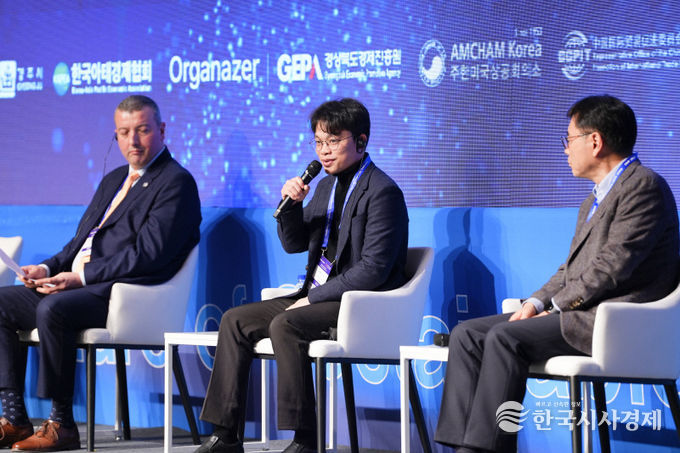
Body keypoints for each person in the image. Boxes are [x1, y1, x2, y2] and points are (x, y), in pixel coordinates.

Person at [434, 95, 679, 453]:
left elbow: (611, 268)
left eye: (570, 138)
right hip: (582, 313)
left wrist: (557, 307)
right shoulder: (593, 199)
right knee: (467, 334)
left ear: (595, 141)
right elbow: (571, 269)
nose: (565, 149)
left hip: (615, 320)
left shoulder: (643, 187)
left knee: (505, 338)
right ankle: (462, 448)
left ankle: (486, 449)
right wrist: (535, 303)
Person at [196, 98, 409, 453]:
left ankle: (305, 439)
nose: (324, 151)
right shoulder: (324, 187)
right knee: (234, 320)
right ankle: (226, 435)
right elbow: (295, 244)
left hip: (357, 304)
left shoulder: (382, 192)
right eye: (319, 142)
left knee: (286, 324)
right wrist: (290, 208)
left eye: (334, 141)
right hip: (313, 296)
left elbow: (373, 269)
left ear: (361, 141)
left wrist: (312, 298)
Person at [0, 95, 201, 452]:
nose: (133, 141)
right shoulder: (113, 180)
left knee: (54, 309)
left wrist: (81, 277)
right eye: (124, 132)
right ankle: (14, 418)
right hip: (81, 285)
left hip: (123, 292)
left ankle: (62, 424)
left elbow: (149, 255)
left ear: (162, 130)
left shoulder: (176, 182)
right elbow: (81, 241)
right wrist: (47, 268)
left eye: (142, 130)